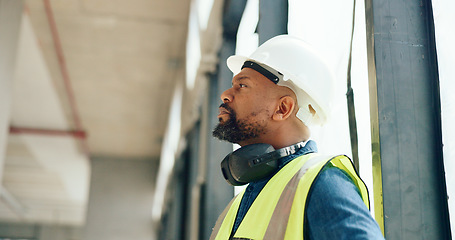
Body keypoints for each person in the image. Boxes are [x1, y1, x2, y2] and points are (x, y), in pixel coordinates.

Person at [210, 35, 385, 240]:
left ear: (283, 108)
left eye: (242, 86)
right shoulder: (240, 205)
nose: (225, 94)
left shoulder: (323, 183)